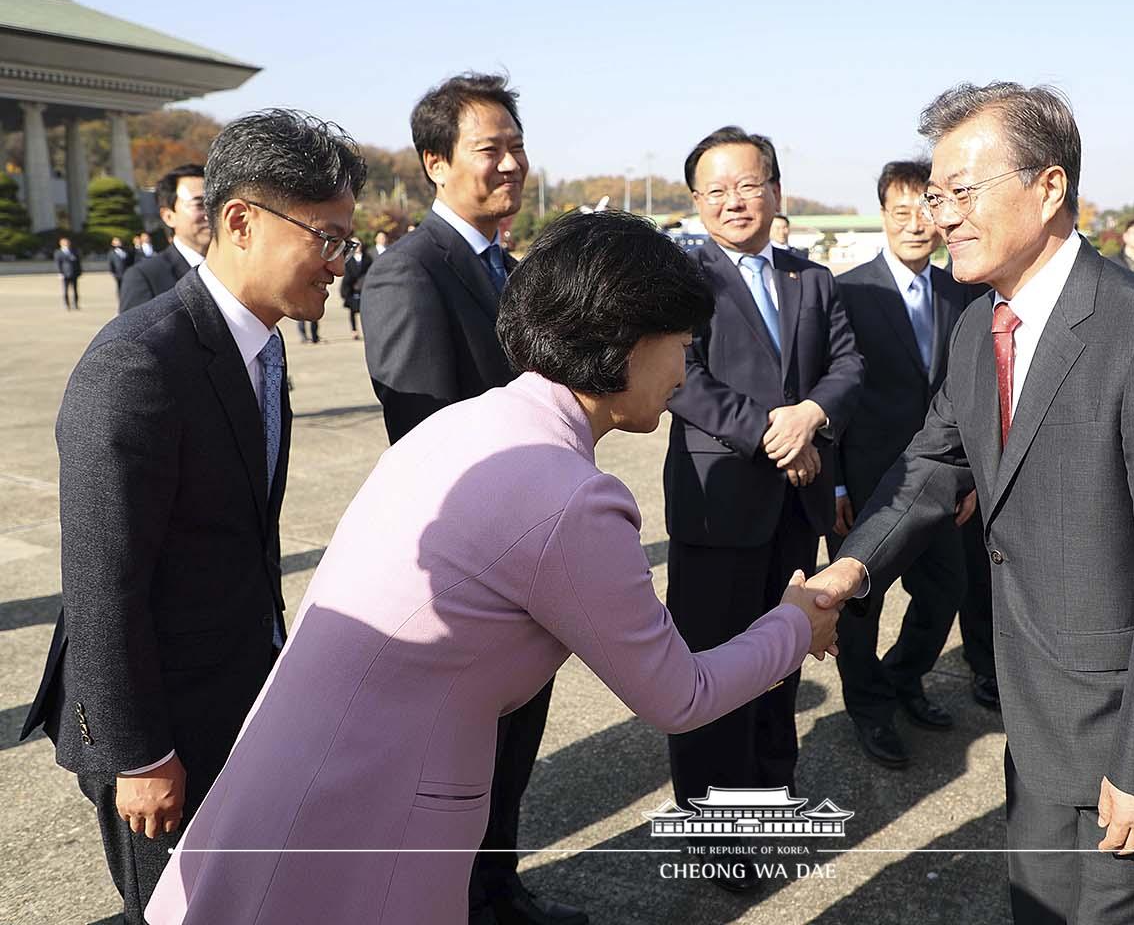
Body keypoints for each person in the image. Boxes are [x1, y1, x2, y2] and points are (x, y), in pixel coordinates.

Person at [143, 210, 840, 925]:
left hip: (291, 784)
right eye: (682, 347)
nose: (684, 372)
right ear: (627, 343)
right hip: (371, 825)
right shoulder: (572, 496)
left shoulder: (468, 423)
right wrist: (794, 622)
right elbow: (678, 695)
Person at [808, 82, 1134, 924]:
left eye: (961, 192)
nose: (941, 215)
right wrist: (846, 573)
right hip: (1040, 713)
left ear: (1050, 186)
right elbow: (929, 468)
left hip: (1132, 727)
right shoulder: (975, 325)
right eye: (932, 195)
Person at [18, 108, 365, 925]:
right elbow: (103, 584)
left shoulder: (264, 345)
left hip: (234, 692)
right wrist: (139, 753)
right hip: (157, 722)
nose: (339, 263)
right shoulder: (137, 365)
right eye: (327, 237)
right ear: (241, 221)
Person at [360, 73, 580, 925]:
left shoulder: (509, 270)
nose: (513, 166)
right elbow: (426, 447)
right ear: (435, 164)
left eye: (518, 148)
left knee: (513, 752)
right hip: (476, 573)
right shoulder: (410, 274)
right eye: (492, 150)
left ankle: (501, 893)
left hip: (535, 560)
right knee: (463, 767)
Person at [663, 125, 862, 889]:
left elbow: (849, 366)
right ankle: (718, 839)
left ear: (775, 189)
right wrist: (778, 434)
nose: (734, 200)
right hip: (719, 510)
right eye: (716, 190)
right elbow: (684, 379)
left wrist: (810, 415)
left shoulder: (812, 280)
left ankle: (770, 798)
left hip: (795, 511)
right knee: (712, 673)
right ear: (696, 202)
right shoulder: (682, 280)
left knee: (782, 662)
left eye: (748, 184)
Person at [829, 159, 993, 769]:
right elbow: (837, 392)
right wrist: (839, 482)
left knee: (944, 592)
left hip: (945, 485)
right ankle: (869, 710)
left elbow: (978, 392)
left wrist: (971, 474)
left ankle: (904, 678)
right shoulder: (847, 291)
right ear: (883, 216)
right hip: (871, 481)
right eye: (902, 211)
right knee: (861, 607)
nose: (916, 224)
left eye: (927, 208)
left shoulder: (964, 292)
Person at [118, 164, 210, 313]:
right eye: (199, 205)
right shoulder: (145, 278)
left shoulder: (238, 269)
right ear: (168, 216)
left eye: (215, 203)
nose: (210, 213)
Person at [341, 238, 369, 338]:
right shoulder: (348, 259)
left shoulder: (367, 257)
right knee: (352, 311)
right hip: (351, 288)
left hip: (363, 287)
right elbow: (346, 275)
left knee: (364, 311)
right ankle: (354, 330)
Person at [54, 235, 82, 309]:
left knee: (75, 290)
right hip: (65, 273)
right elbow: (58, 263)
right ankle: (67, 304)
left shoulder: (74, 251)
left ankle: (76, 304)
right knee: (65, 290)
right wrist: (60, 272)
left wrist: (79, 271)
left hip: (74, 273)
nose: (66, 243)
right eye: (64, 242)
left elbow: (78, 262)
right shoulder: (58, 252)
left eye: (67, 242)